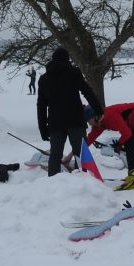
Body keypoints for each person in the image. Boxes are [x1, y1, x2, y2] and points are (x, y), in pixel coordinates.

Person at [36, 47, 103, 177]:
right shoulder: (74, 73)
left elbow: (41, 106)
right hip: (75, 120)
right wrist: (98, 110)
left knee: (55, 155)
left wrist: (42, 128)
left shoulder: (44, 79)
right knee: (81, 153)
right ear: (67, 59)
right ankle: (83, 179)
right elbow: (87, 92)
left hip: (55, 123)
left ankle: (53, 182)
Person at [85, 102, 134, 190]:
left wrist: (119, 144)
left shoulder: (110, 116)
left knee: (129, 142)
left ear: (95, 116)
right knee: (130, 142)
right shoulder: (99, 123)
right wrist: (76, 151)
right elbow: (90, 139)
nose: (89, 124)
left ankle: (133, 179)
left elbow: (126, 134)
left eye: (89, 120)